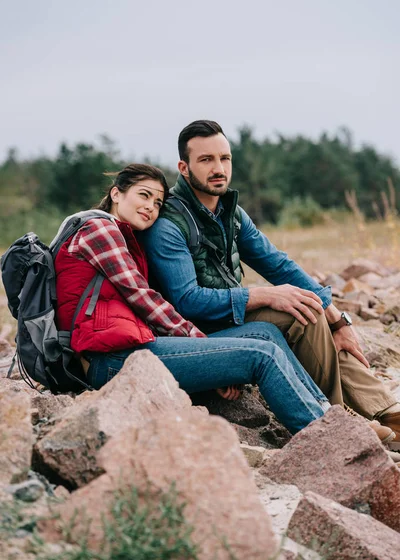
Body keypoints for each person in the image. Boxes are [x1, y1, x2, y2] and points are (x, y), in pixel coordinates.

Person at [141, 121, 400, 449]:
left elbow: (278, 264)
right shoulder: (169, 225)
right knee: (298, 313)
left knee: (308, 306)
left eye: (225, 158)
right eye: (206, 160)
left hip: (228, 318)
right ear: (184, 167)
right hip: (195, 334)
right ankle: (340, 417)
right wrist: (263, 294)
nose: (219, 168)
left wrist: (338, 319)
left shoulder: (230, 214)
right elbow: (187, 300)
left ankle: (387, 411)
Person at [54, 163, 339, 436]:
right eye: (143, 195)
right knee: (260, 355)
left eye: (157, 202)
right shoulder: (100, 230)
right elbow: (145, 300)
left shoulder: (125, 237)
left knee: (266, 332)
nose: (150, 207)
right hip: (108, 360)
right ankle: (323, 436)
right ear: (116, 193)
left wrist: (210, 355)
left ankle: (325, 413)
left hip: (131, 346)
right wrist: (205, 350)